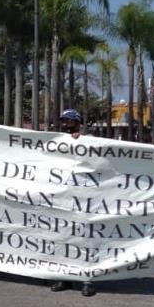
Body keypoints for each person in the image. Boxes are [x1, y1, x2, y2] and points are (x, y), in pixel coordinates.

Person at [49, 109, 96, 297]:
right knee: (63, 239)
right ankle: (64, 278)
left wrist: (81, 140)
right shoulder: (57, 140)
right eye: (63, 121)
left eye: (69, 121)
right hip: (62, 198)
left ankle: (87, 280)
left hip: (84, 200)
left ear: (78, 122)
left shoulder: (90, 140)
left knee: (85, 241)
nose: (66, 125)